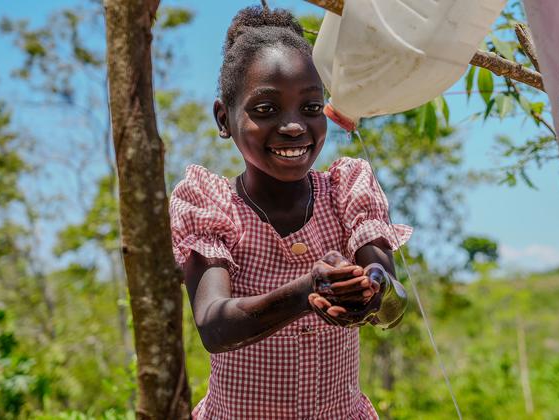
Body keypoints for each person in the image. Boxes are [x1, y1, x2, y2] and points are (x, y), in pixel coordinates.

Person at [169, 6, 411, 419]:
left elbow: (393, 301)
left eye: (311, 108)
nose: (294, 126)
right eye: (266, 109)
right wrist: (304, 293)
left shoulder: (346, 193)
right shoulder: (210, 206)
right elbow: (213, 325)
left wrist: (371, 289)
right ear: (224, 118)